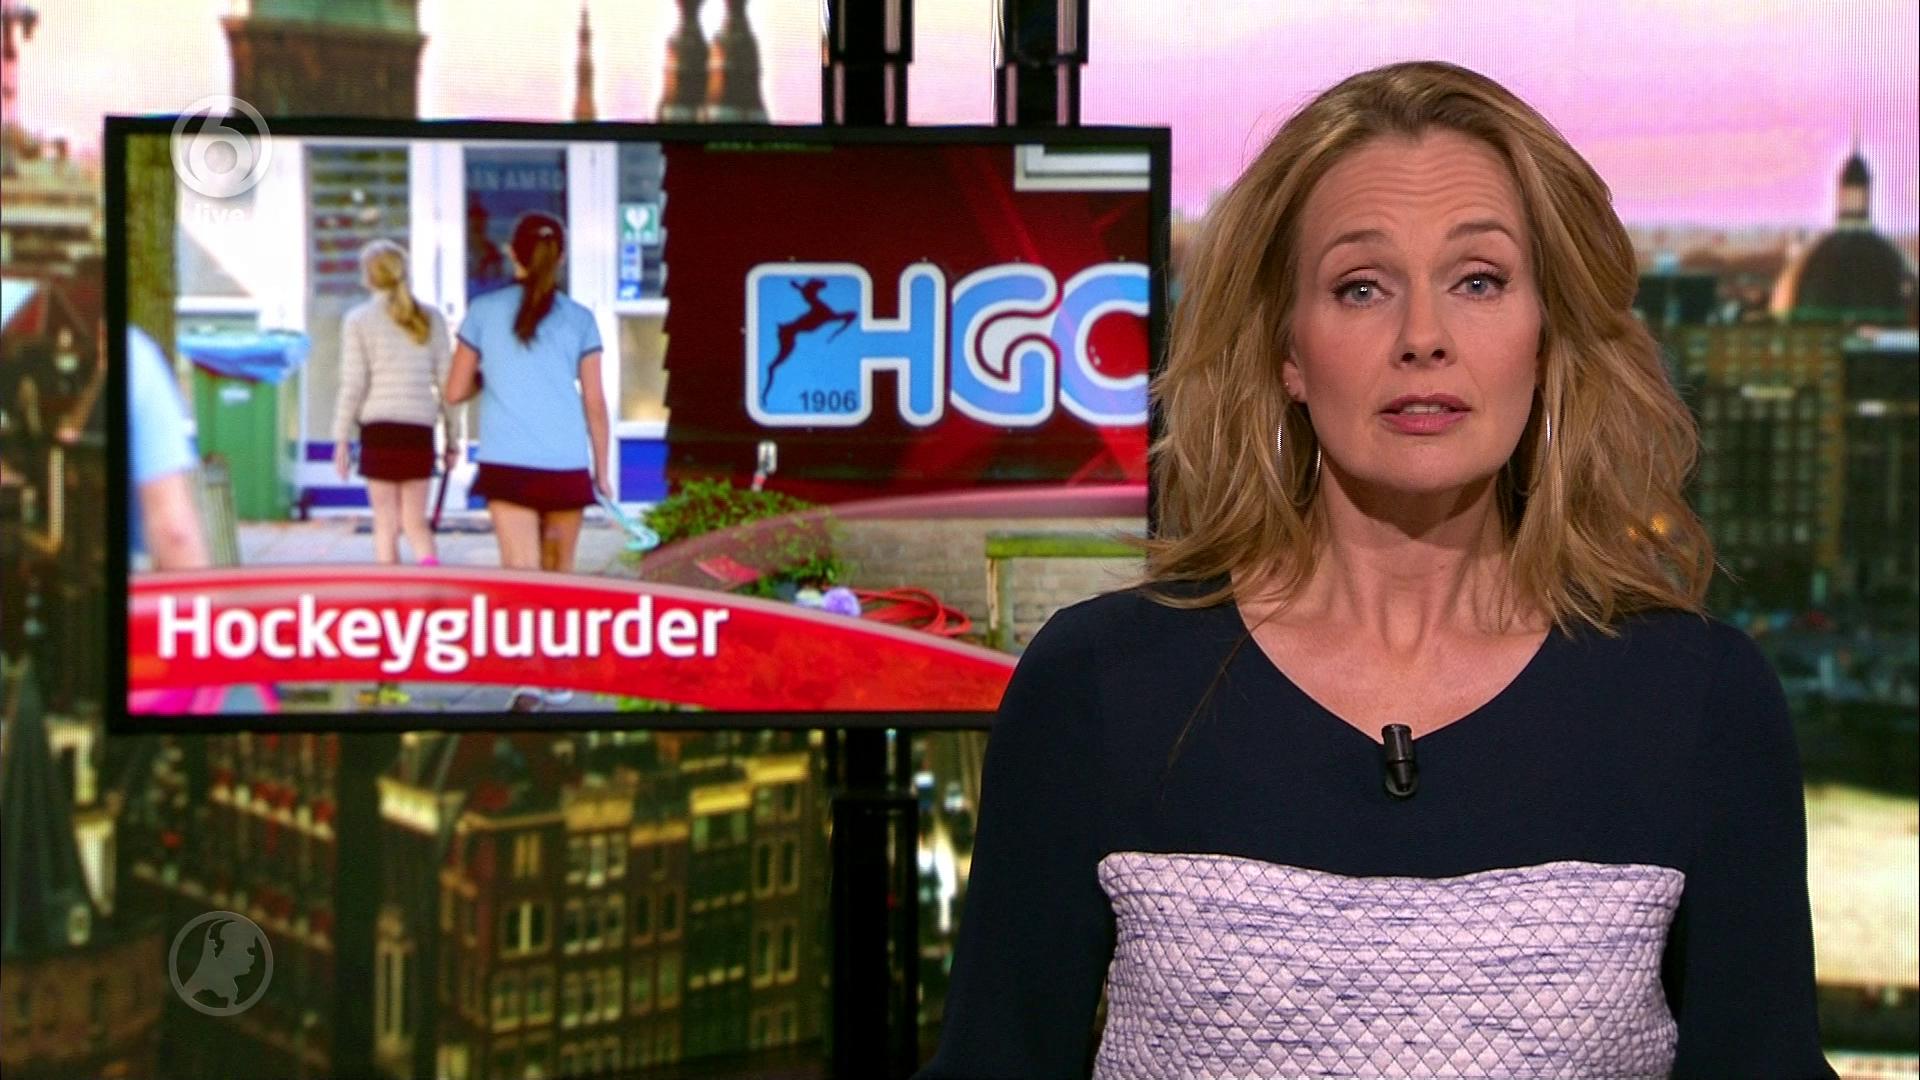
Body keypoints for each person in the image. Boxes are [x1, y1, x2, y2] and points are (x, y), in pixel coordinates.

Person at [918, 61, 1834, 1079]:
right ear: (1287, 351)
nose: (1423, 339)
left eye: (1478, 281)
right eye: (1362, 288)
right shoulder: (1099, 685)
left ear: (1547, 338)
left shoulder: (1698, 701)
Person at [445, 211, 612, 710]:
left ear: (511, 254)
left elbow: (454, 391)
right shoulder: (580, 319)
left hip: (507, 463)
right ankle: (557, 673)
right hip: (565, 463)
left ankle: (527, 678)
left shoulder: (482, 311)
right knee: (559, 571)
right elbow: (595, 403)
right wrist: (602, 470)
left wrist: (490, 375)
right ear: (560, 256)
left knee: (521, 572)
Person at [333, 239, 460, 568]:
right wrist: (453, 439)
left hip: (379, 431)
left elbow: (353, 384)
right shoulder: (431, 319)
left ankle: (391, 593)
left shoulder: (358, 320)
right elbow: (448, 385)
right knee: (416, 523)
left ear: (368, 277)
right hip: (418, 432)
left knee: (385, 525)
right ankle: (430, 581)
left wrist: (341, 437)